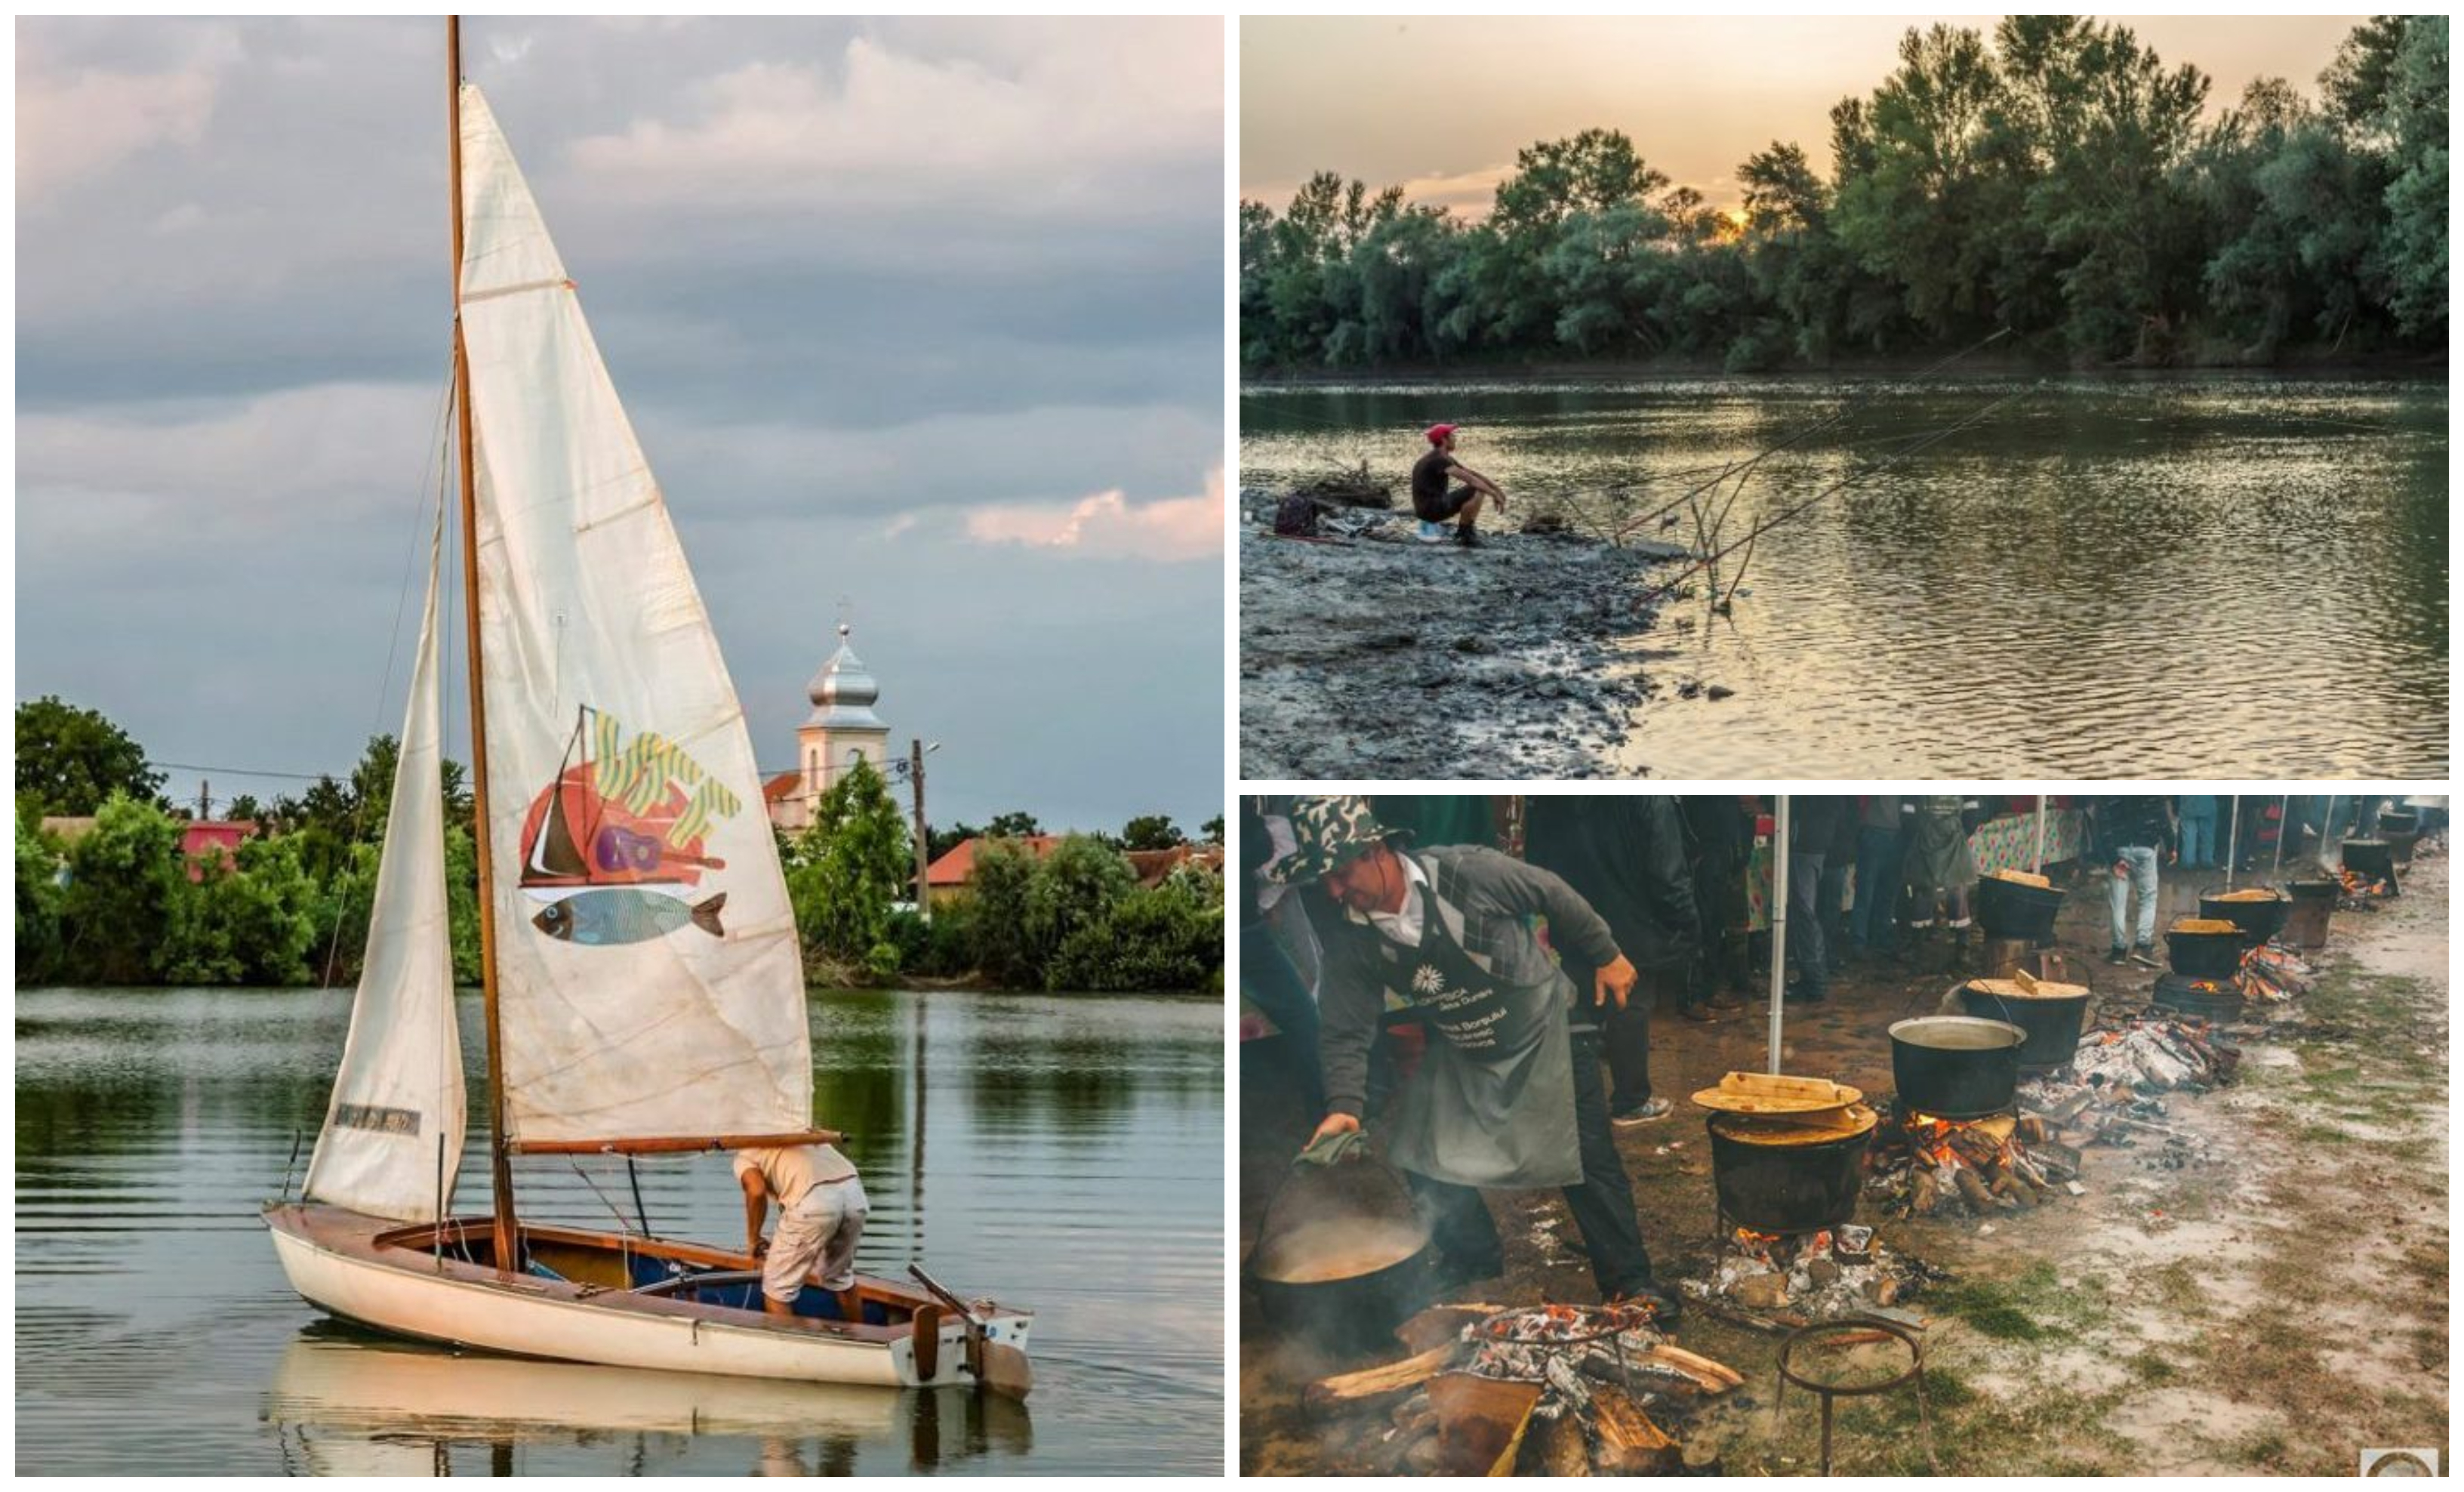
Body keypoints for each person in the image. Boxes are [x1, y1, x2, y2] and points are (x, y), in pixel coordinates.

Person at [1274, 796, 1680, 1321]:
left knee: (1586, 1160)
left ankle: (1631, 1283)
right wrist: (1345, 1104)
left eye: (1340, 872)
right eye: (1321, 881)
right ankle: (1473, 1255)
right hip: (1465, 1044)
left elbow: (1550, 891)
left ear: (1376, 850)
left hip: (1543, 1033)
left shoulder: (1465, 873)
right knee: (1420, 1148)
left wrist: (1607, 954)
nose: (1333, 891)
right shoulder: (1353, 937)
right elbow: (1345, 1029)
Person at [1526, 795, 1700, 1125]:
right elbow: (1667, 871)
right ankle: (1631, 1100)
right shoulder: (1648, 797)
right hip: (1633, 920)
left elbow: (1537, 862)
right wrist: (1687, 923)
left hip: (1573, 921)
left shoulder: (1548, 796)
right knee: (1630, 1006)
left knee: (1580, 1013)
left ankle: (1577, 1107)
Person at [737, 1141, 868, 1319]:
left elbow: (756, 1191)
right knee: (840, 1277)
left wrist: (753, 1239)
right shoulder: (803, 1133)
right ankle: (861, 1338)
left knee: (777, 1288)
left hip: (815, 1201)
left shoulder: (747, 1154)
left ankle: (788, 1346)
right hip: (854, 1193)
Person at [1680, 796, 1751, 1019]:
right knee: (1702, 924)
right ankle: (1693, 997)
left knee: (1715, 925)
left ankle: (1709, 990)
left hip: (1722, 853)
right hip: (1705, 853)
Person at [2090, 796, 2176, 964]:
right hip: (2146, 848)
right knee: (2148, 899)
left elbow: (2103, 825)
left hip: (2119, 849)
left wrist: (2113, 859)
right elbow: (2163, 819)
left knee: (2118, 903)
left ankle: (2118, 951)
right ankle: (2143, 946)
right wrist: (2171, 845)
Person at [1783, 797, 1847, 1003]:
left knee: (1804, 913)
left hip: (1806, 844)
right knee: (1806, 912)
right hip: (1819, 844)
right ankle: (1814, 978)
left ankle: (1814, 980)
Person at [1902, 795, 1982, 954]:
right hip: (1928, 842)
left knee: (1956, 894)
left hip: (1947, 843)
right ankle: (1919, 946)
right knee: (1923, 894)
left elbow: (1972, 810)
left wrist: (1960, 834)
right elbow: (1908, 812)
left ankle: (1961, 949)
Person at [1410, 424, 1506, 548]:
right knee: (1476, 489)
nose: (1455, 438)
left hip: (1428, 509)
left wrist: (1496, 489)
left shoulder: (1441, 457)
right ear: (1444, 440)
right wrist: (1493, 494)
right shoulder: (1439, 460)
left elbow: (1471, 474)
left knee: (1479, 487)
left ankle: (1466, 531)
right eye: (1453, 436)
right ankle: (1464, 534)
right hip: (1431, 511)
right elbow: (1471, 480)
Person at [1850, 795, 1904, 957]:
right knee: (1882, 892)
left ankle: (1862, 939)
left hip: (1875, 831)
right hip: (1886, 831)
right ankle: (1875, 937)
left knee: (1870, 891)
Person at [2176, 794, 2218, 870]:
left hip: (2188, 800)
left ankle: (2188, 861)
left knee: (2189, 832)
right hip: (2207, 799)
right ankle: (2207, 860)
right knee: (2207, 833)